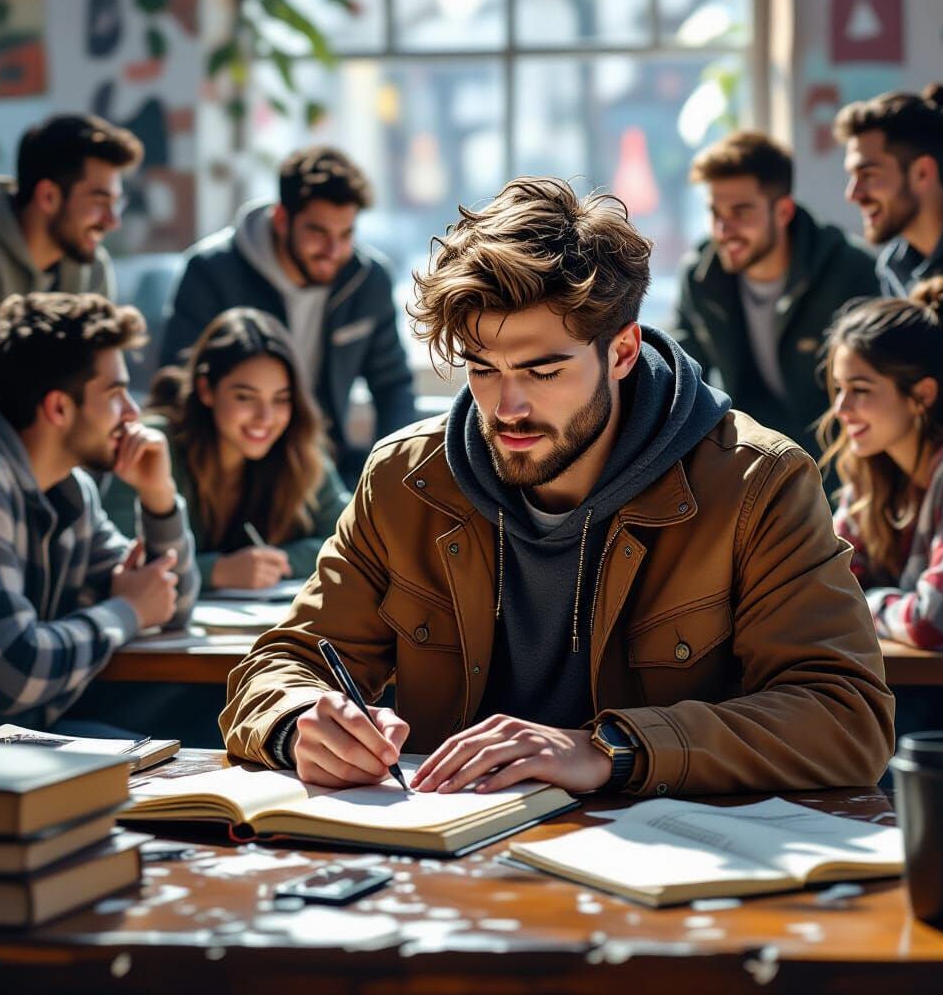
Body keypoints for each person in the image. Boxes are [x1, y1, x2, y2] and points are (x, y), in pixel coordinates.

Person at [220, 176, 894, 797]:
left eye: (543, 371)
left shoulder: (758, 484)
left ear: (622, 352)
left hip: (665, 868)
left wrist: (613, 749)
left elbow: (847, 719)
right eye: (483, 369)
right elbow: (281, 664)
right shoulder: (405, 480)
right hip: (447, 855)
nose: (506, 408)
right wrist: (302, 723)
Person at [0, 292, 198, 736]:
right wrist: (126, 610)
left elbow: (169, 605)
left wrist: (158, 496)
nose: (133, 413)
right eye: (115, 394)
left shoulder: (70, 488)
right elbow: (12, 671)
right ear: (58, 407)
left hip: (21, 742)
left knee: (201, 721)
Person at [159, 146, 417, 486]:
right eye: (318, 233)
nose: (333, 251)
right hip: (228, 467)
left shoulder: (368, 280)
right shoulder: (211, 272)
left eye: (346, 234)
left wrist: (394, 474)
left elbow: (392, 384)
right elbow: (177, 381)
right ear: (281, 220)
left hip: (322, 465)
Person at [820, 276, 943, 732]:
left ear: (922, 395)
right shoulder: (875, 469)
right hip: (913, 704)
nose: (841, 409)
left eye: (860, 390)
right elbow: (820, 585)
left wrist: (868, 603)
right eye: (838, 389)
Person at [102, 308, 350, 594]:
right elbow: (117, 560)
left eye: (281, 399)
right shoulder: (155, 446)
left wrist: (276, 563)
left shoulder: (298, 445)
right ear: (206, 389)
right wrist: (217, 571)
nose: (265, 418)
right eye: (245, 397)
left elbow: (351, 541)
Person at [671, 131, 878, 455]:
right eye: (715, 213)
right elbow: (678, 376)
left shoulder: (849, 270)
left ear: (783, 212)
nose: (724, 231)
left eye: (740, 212)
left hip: (842, 458)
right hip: (749, 461)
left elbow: (881, 393)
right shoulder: (700, 277)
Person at [0, 113, 143, 381]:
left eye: (117, 203)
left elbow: (103, 385)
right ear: (48, 196)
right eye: (100, 202)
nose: (113, 222)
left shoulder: (93, 267)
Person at [836, 83, 943, 330]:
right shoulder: (894, 267)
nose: (852, 194)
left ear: (922, 172)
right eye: (852, 177)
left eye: (868, 175)